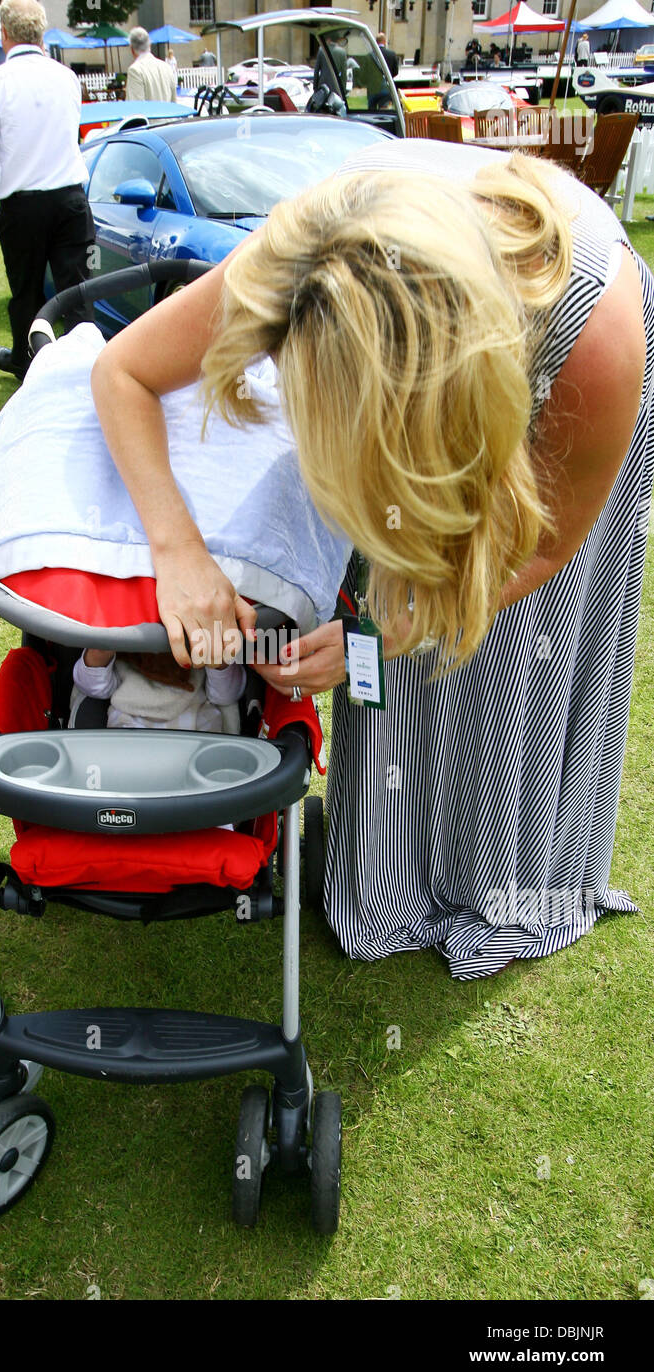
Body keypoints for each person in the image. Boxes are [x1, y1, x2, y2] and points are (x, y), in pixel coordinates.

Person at [88, 140, 653, 980]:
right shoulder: (298, 258)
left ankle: (502, 870)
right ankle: (387, 870)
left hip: (557, 371)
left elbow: (546, 545)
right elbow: (122, 369)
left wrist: (394, 632)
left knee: (501, 647)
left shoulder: (597, 340)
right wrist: (180, 551)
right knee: (397, 628)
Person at [0, 0, 94, 382]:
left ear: (4, 34)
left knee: (26, 292)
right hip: (70, 199)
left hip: (23, 206)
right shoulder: (67, 77)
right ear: (41, 34)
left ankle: (27, 365)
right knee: (77, 290)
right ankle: (84, 369)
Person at [69, 647, 245, 732]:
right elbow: (93, 689)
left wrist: (215, 654)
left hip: (194, 720)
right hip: (131, 720)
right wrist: (100, 650)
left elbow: (225, 696)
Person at [126, 27, 178, 103]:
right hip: (169, 114)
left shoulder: (135, 70)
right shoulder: (167, 67)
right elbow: (174, 103)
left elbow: (135, 106)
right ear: (149, 45)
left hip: (148, 114)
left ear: (132, 49)